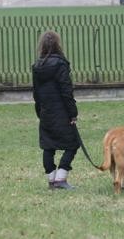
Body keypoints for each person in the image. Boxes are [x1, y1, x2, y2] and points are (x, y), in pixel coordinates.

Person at [32, 30, 79, 190]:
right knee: (73, 144)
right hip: (61, 113)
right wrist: (73, 113)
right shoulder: (61, 64)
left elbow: (36, 93)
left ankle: (52, 180)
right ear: (58, 45)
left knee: (48, 147)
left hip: (45, 112)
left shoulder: (37, 66)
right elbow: (66, 91)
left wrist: (40, 112)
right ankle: (60, 178)